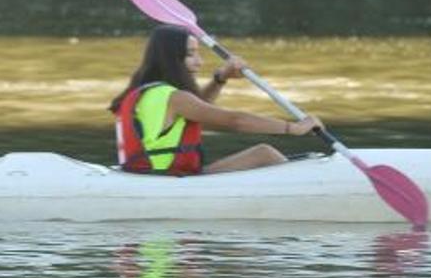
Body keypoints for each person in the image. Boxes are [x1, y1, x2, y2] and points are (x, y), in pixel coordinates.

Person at [109, 24, 322, 175]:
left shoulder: (146, 93)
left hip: (157, 178)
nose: (199, 62)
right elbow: (234, 121)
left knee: (264, 154)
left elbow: (200, 111)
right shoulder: (174, 98)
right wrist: (293, 128)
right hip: (167, 181)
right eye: (191, 54)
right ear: (172, 58)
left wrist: (220, 79)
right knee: (263, 154)